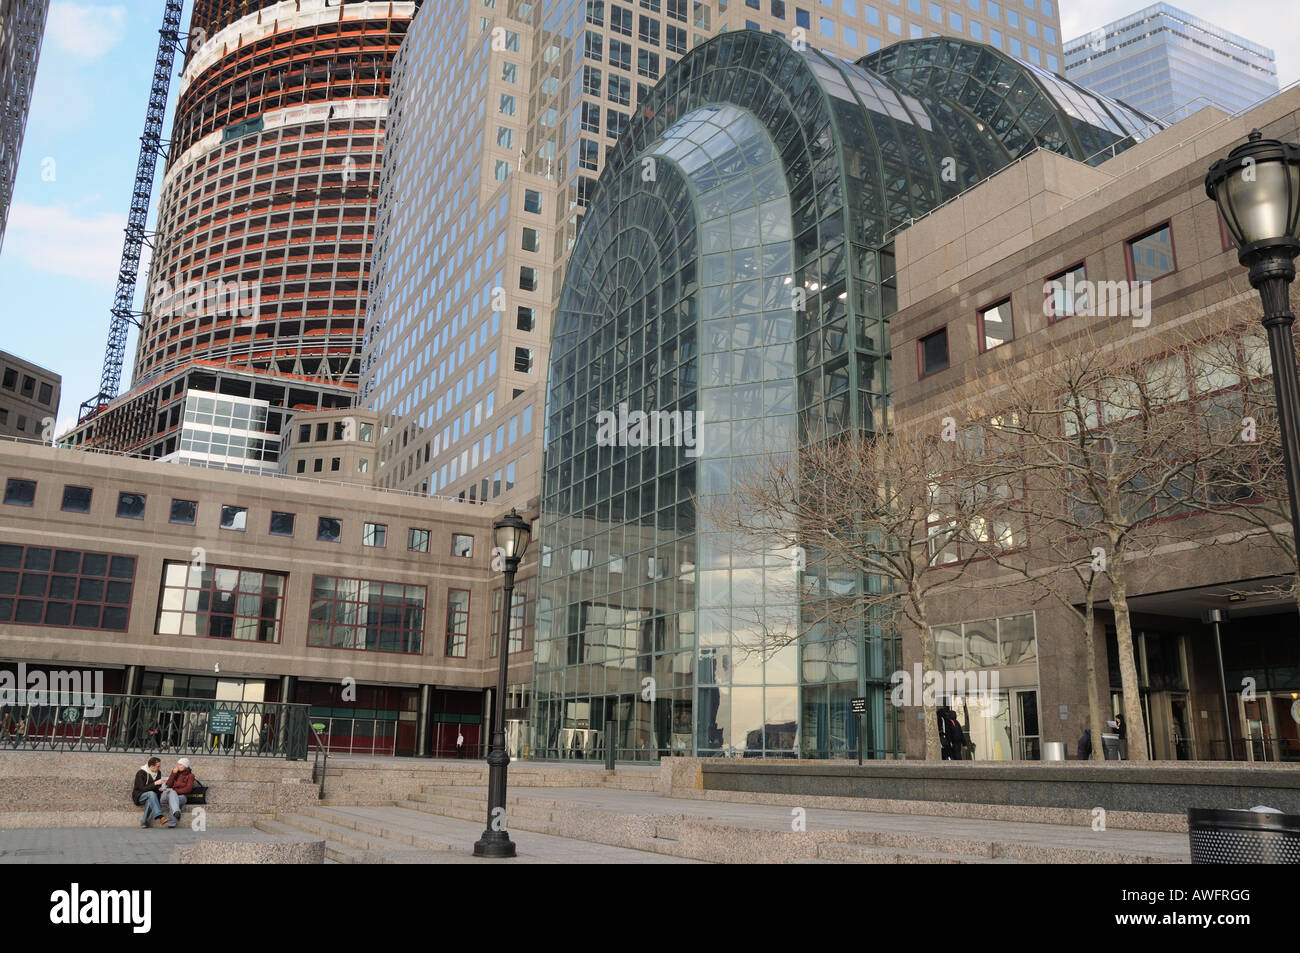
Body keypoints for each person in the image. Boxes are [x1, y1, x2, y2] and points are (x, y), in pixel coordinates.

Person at [132, 757, 166, 829]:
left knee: (151, 799)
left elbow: (156, 788)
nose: (159, 768)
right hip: (139, 796)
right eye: (158, 766)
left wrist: (159, 789)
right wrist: (155, 783)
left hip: (151, 796)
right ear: (151, 766)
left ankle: (143, 822)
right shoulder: (141, 773)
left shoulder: (158, 773)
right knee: (151, 794)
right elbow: (142, 789)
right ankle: (160, 816)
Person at [161, 757, 196, 827]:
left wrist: (174, 790)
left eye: (181, 765)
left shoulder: (190, 776)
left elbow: (188, 789)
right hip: (166, 796)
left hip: (182, 797)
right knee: (173, 796)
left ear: (185, 766)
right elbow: (168, 785)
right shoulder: (175, 773)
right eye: (178, 764)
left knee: (173, 798)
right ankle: (176, 811)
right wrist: (173, 774)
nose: (178, 766)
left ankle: (172, 823)